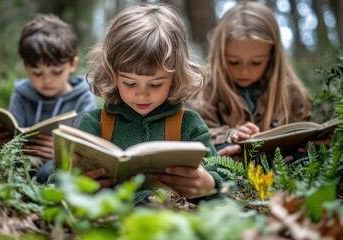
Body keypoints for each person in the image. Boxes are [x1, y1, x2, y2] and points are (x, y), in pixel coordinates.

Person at [76, 4, 224, 205]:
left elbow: (222, 177)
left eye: (156, 84)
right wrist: (77, 184)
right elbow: (58, 180)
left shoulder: (188, 125)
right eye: (129, 83)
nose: (142, 94)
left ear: (175, 77)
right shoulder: (94, 124)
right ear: (113, 74)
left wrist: (209, 183)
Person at [184, 2, 312, 161]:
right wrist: (230, 135)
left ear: (272, 57)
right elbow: (196, 132)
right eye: (234, 62)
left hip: (281, 162)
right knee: (223, 151)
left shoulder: (290, 91)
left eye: (256, 62)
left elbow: (303, 128)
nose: (244, 71)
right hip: (232, 162)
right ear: (220, 54)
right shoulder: (206, 89)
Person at [0, 14, 97, 179]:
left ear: (72, 64)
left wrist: (62, 154)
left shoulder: (84, 97)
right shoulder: (21, 93)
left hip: (60, 168)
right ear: (26, 67)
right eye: (37, 73)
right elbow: (14, 137)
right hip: (23, 163)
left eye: (56, 72)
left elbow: (87, 150)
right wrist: (0, 143)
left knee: (50, 172)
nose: (47, 80)